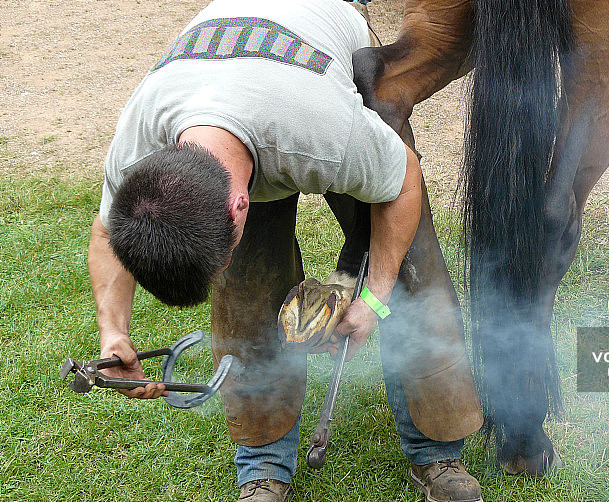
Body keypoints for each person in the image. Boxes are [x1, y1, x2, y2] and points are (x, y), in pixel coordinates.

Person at [87, 0, 483, 500]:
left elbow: (404, 181)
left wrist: (374, 297)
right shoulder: (140, 141)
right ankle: (264, 464)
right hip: (239, 70)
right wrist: (113, 333)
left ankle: (434, 450)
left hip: (321, 60)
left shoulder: (320, 131)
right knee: (245, 289)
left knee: (411, 262)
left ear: (239, 205)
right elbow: (107, 235)